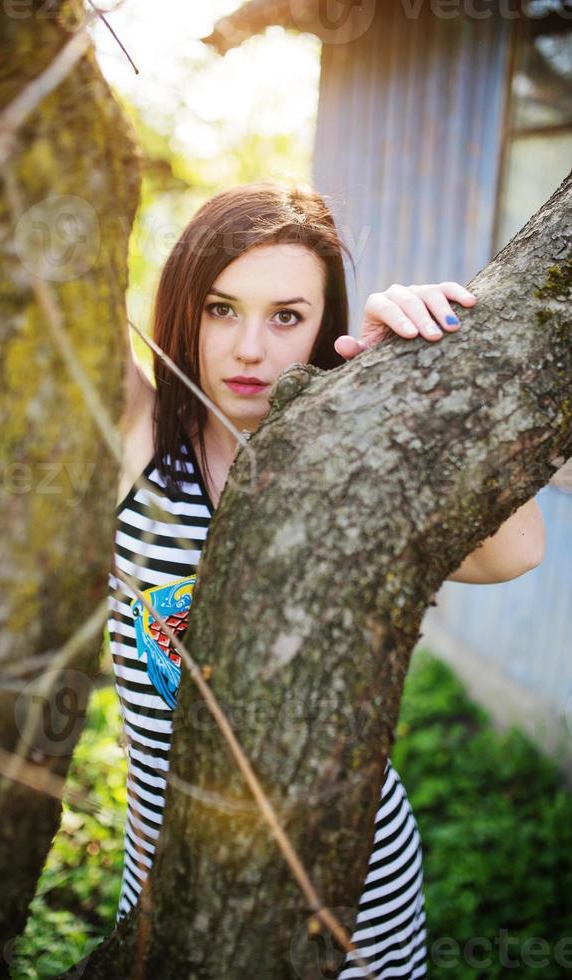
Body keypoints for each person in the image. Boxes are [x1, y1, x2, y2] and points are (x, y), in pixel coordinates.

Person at [107, 180, 545, 978]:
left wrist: (428, 369)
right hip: (165, 881)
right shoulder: (137, 441)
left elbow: (514, 552)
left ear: (322, 325)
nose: (249, 349)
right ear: (181, 310)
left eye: (286, 316)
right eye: (219, 309)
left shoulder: (359, 469)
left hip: (350, 897)